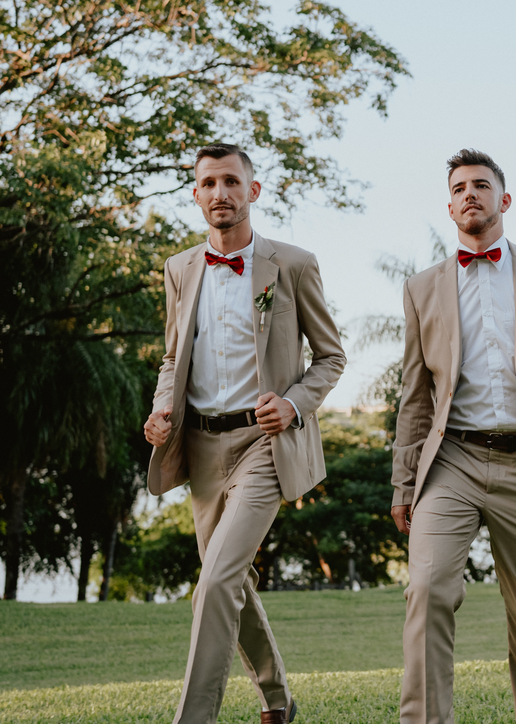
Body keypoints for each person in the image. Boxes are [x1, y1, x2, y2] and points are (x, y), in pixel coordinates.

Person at [143, 143, 346, 724]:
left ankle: (193, 717)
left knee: (215, 580)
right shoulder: (180, 269)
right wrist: (162, 411)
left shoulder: (293, 263)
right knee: (226, 580)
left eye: (231, 181)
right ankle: (277, 697)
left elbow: (331, 358)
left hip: (264, 446)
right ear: (196, 194)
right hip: (201, 448)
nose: (220, 193)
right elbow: (172, 359)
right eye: (208, 183)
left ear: (252, 191)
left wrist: (292, 403)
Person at [391, 149, 516, 724]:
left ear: (504, 200)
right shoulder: (421, 286)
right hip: (449, 460)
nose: (469, 195)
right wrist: (404, 482)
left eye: (481, 186)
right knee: (426, 593)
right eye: (458, 188)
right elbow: (415, 395)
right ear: (449, 205)